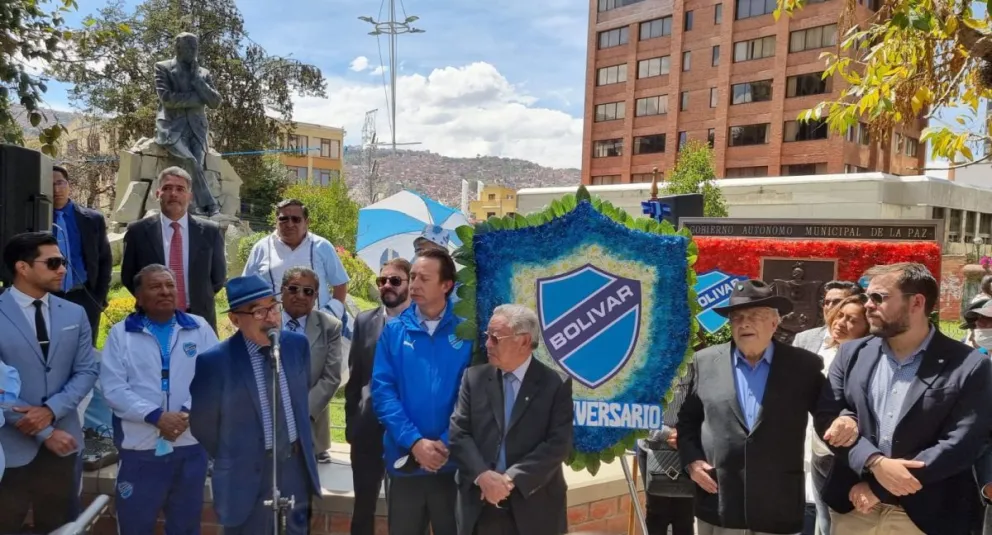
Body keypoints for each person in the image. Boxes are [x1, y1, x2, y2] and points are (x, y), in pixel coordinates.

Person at [818, 263, 992, 535]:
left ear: (917, 302)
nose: (868, 305)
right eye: (867, 297)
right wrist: (872, 460)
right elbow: (827, 415)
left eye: (879, 297)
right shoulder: (851, 354)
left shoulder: (969, 365)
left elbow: (962, 443)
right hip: (854, 508)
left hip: (926, 515)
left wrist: (880, 485)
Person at [677, 279, 856, 535]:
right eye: (737, 317)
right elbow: (687, 421)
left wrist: (843, 421)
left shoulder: (803, 366)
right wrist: (692, 461)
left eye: (754, 316)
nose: (744, 323)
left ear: (774, 323)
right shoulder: (704, 362)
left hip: (778, 505)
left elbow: (827, 412)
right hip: (719, 500)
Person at [189, 275, 321, 535]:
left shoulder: (296, 346)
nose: (271, 318)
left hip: (294, 468)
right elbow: (203, 425)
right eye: (259, 312)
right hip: (244, 477)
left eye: (274, 307)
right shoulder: (215, 362)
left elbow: (299, 398)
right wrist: (240, 453)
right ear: (235, 319)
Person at [100, 264, 219, 535]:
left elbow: (215, 377)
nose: (165, 291)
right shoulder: (121, 334)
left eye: (170, 285)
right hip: (139, 450)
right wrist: (156, 416)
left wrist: (187, 413)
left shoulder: (199, 327)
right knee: (134, 526)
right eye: (155, 286)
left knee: (186, 527)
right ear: (138, 297)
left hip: (190, 445)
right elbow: (114, 389)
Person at [0, 232, 98, 533]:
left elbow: (86, 371)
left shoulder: (75, 313)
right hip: (8, 449)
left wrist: (51, 412)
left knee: (61, 528)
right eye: (53, 262)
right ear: (22, 267)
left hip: (63, 446)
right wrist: (44, 430)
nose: (63, 269)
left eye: (63, 262)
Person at [449, 304, 573, 535]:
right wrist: (484, 477)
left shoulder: (555, 384)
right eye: (488, 337)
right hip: (480, 505)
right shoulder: (474, 378)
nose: (487, 344)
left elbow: (558, 445)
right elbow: (459, 433)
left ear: (524, 341)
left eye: (496, 338)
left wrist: (509, 479)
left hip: (534, 507)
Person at [372, 248, 471, 535]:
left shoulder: (467, 333)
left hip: (451, 464)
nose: (413, 284)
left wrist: (442, 444)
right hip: (405, 463)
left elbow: (472, 398)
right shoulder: (394, 331)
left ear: (446, 285)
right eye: (412, 276)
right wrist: (415, 443)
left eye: (423, 278)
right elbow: (383, 392)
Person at [345, 258, 412, 535]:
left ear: (409, 284)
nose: (387, 285)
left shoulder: (421, 324)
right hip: (367, 432)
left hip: (406, 433)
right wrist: (352, 424)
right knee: (363, 510)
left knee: (404, 510)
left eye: (395, 280)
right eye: (382, 280)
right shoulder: (364, 320)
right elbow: (356, 376)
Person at [120, 167, 227, 331]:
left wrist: (197, 298)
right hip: (152, 319)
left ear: (190, 196)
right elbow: (129, 276)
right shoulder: (138, 232)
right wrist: (153, 302)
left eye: (180, 189)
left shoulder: (210, 232)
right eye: (167, 188)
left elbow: (218, 278)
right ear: (157, 194)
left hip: (199, 319)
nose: (173, 194)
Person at [802, 295, 869, 535]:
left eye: (852, 320)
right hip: (819, 449)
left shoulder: (867, 360)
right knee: (822, 519)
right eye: (840, 315)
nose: (841, 323)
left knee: (837, 523)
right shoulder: (826, 351)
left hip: (846, 456)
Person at [242, 199, 350, 322]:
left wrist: (330, 314)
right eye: (284, 219)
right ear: (276, 221)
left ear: (306, 222)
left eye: (296, 219)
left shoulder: (322, 246)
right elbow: (247, 287)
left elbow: (340, 284)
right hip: (274, 325)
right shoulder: (261, 248)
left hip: (316, 326)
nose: (289, 224)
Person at [154, 32, 222, 216]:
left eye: (195, 47)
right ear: (178, 48)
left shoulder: (203, 73)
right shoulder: (163, 67)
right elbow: (167, 99)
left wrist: (198, 83)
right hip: (171, 126)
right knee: (190, 161)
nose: (193, 51)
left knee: (195, 164)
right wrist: (199, 99)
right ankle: (210, 206)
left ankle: (191, 209)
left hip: (197, 128)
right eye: (189, 48)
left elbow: (215, 102)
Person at [280, 267, 343, 464]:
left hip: (310, 428)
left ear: (315, 297)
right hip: (266, 423)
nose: (300, 295)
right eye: (293, 289)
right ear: (282, 290)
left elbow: (331, 377)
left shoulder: (330, 327)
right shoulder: (264, 321)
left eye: (308, 291)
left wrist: (301, 412)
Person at [51, 164, 113, 343]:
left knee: (87, 354)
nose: (56, 189)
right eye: (50, 184)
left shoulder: (92, 219)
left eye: (60, 183)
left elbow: (104, 260)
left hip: (85, 296)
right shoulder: (36, 219)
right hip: (50, 296)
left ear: (69, 185)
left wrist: (98, 298)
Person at [637, 365, 696, 535]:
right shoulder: (648, 365)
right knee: (657, 513)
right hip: (653, 450)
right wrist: (667, 433)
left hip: (687, 450)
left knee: (685, 514)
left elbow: (707, 409)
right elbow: (637, 413)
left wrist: (687, 435)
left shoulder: (698, 366)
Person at [792, 280, 863, 354]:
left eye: (837, 302)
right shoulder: (803, 339)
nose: (829, 307)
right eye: (826, 302)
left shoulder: (864, 341)